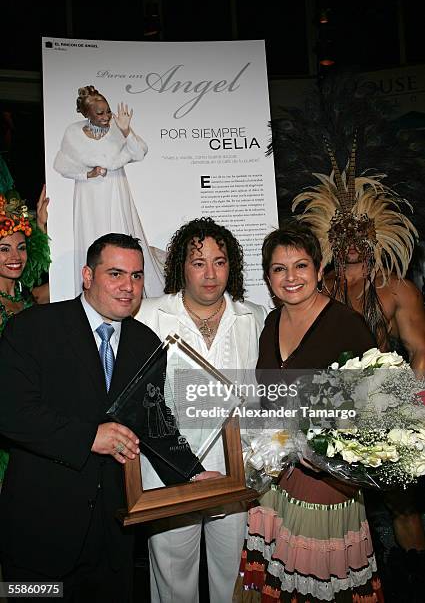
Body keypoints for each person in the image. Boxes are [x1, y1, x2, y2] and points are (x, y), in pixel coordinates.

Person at [0, 233, 208, 603]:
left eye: (137, 276)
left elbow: (155, 421)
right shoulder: (33, 329)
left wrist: (193, 475)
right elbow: (11, 413)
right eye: (116, 274)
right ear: (87, 276)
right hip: (40, 533)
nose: (128, 286)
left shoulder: (146, 343)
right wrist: (88, 437)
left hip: (112, 538)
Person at [292, 141, 425, 582]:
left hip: (390, 412)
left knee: (402, 506)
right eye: (342, 233)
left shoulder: (397, 289)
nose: (351, 242)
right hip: (332, 415)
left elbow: (422, 351)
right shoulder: (317, 288)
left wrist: (409, 412)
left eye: (359, 233)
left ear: (374, 234)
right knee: (344, 513)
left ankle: (413, 580)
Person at [235, 221, 384, 603]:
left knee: (313, 585)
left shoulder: (346, 326)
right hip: (274, 478)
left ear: (319, 271)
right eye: (279, 269)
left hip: (326, 483)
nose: (290, 278)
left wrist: (330, 451)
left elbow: (378, 406)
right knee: (275, 580)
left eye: (301, 266)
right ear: (268, 278)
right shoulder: (270, 323)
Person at [136, 217, 266, 603]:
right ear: (181, 267)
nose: (210, 274)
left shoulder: (254, 317)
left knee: (235, 580)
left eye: (219, 261)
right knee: (174, 584)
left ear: (232, 266)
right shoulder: (149, 315)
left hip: (235, 472)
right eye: (198, 262)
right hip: (169, 473)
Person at [53, 85, 164, 296]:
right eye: (99, 113)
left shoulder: (117, 128)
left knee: (121, 233)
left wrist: (125, 130)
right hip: (88, 195)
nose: (105, 117)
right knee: (93, 239)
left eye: (108, 111)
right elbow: (62, 164)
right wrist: (87, 174)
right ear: (86, 114)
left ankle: (128, 288)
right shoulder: (73, 133)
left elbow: (139, 152)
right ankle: (96, 292)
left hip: (115, 189)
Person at [0, 185, 49, 484]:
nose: (15, 256)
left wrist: (41, 226)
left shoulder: (29, 297)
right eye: (4, 249)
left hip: (32, 418)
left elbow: (69, 283)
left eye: (20, 247)